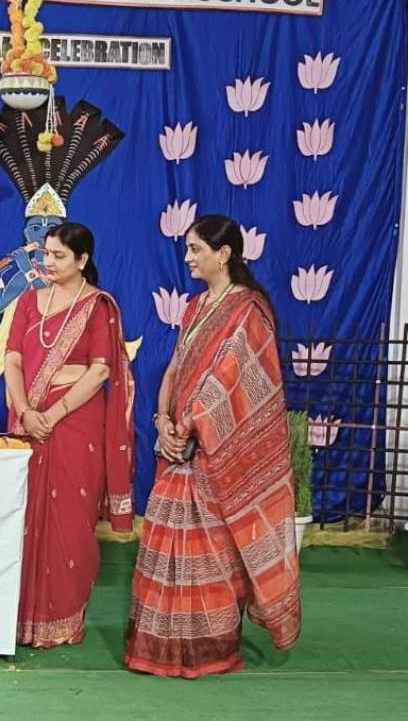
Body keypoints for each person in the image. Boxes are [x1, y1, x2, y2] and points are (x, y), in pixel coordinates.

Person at [125, 215, 301, 678]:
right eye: (187, 248)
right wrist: (162, 422)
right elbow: (175, 366)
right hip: (178, 446)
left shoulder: (248, 310)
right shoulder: (195, 306)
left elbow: (231, 383)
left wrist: (187, 427)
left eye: (195, 249)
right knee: (166, 544)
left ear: (224, 254)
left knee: (209, 553)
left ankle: (208, 651)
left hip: (215, 455)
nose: (187, 257)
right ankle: (160, 648)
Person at [4, 222, 134, 647]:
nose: (49, 262)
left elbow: (99, 371)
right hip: (28, 422)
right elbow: (12, 361)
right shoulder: (27, 301)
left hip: (76, 422)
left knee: (70, 521)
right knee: (23, 519)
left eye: (59, 255)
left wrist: (53, 413)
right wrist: (26, 412)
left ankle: (61, 621)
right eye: (46, 253)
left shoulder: (97, 306)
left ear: (82, 260)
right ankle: (16, 620)